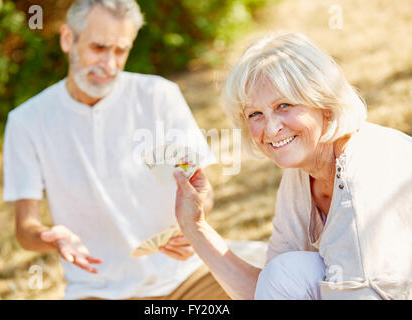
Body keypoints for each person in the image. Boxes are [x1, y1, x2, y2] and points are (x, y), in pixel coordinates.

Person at [3, 0, 230, 300]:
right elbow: (25, 229)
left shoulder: (157, 98)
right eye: (99, 47)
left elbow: (201, 190)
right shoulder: (28, 122)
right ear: (68, 39)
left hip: (186, 277)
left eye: (120, 50)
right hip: (96, 289)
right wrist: (53, 240)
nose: (109, 65)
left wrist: (193, 220)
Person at [172, 32, 412, 300]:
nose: (272, 128)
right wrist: (194, 227)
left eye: (284, 105)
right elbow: (269, 291)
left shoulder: (364, 172)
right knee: (283, 273)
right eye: (255, 114)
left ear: (325, 105)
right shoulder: (299, 177)